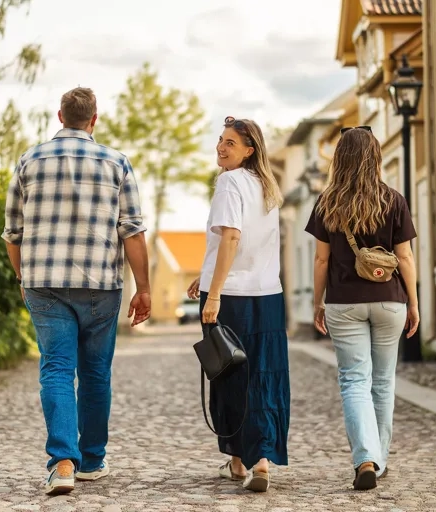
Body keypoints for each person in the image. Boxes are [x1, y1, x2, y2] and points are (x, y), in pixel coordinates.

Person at [2, 87, 152, 496]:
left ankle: (63, 463)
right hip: (100, 285)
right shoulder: (117, 163)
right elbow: (133, 232)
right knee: (95, 374)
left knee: (55, 369)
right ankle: (93, 459)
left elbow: (12, 234)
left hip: (44, 283)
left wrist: (22, 277)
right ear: (94, 119)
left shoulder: (29, 161)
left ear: (60, 115)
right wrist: (145, 289)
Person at [304, 127, 419, 491]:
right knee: (383, 381)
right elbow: (405, 257)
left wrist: (317, 302)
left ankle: (365, 458)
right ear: (375, 157)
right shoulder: (394, 200)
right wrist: (413, 303)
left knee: (354, 380)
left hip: (344, 303)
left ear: (339, 158)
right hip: (389, 300)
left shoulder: (327, 203)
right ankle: (379, 460)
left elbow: (321, 261)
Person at [186, 116, 289, 493]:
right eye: (220, 139)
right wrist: (207, 272)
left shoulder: (229, 182)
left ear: (249, 151)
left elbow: (231, 237)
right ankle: (257, 460)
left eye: (230, 143)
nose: (221, 147)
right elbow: (244, 246)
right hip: (268, 294)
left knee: (229, 376)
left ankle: (241, 460)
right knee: (262, 377)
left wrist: (213, 294)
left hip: (232, 298)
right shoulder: (266, 187)